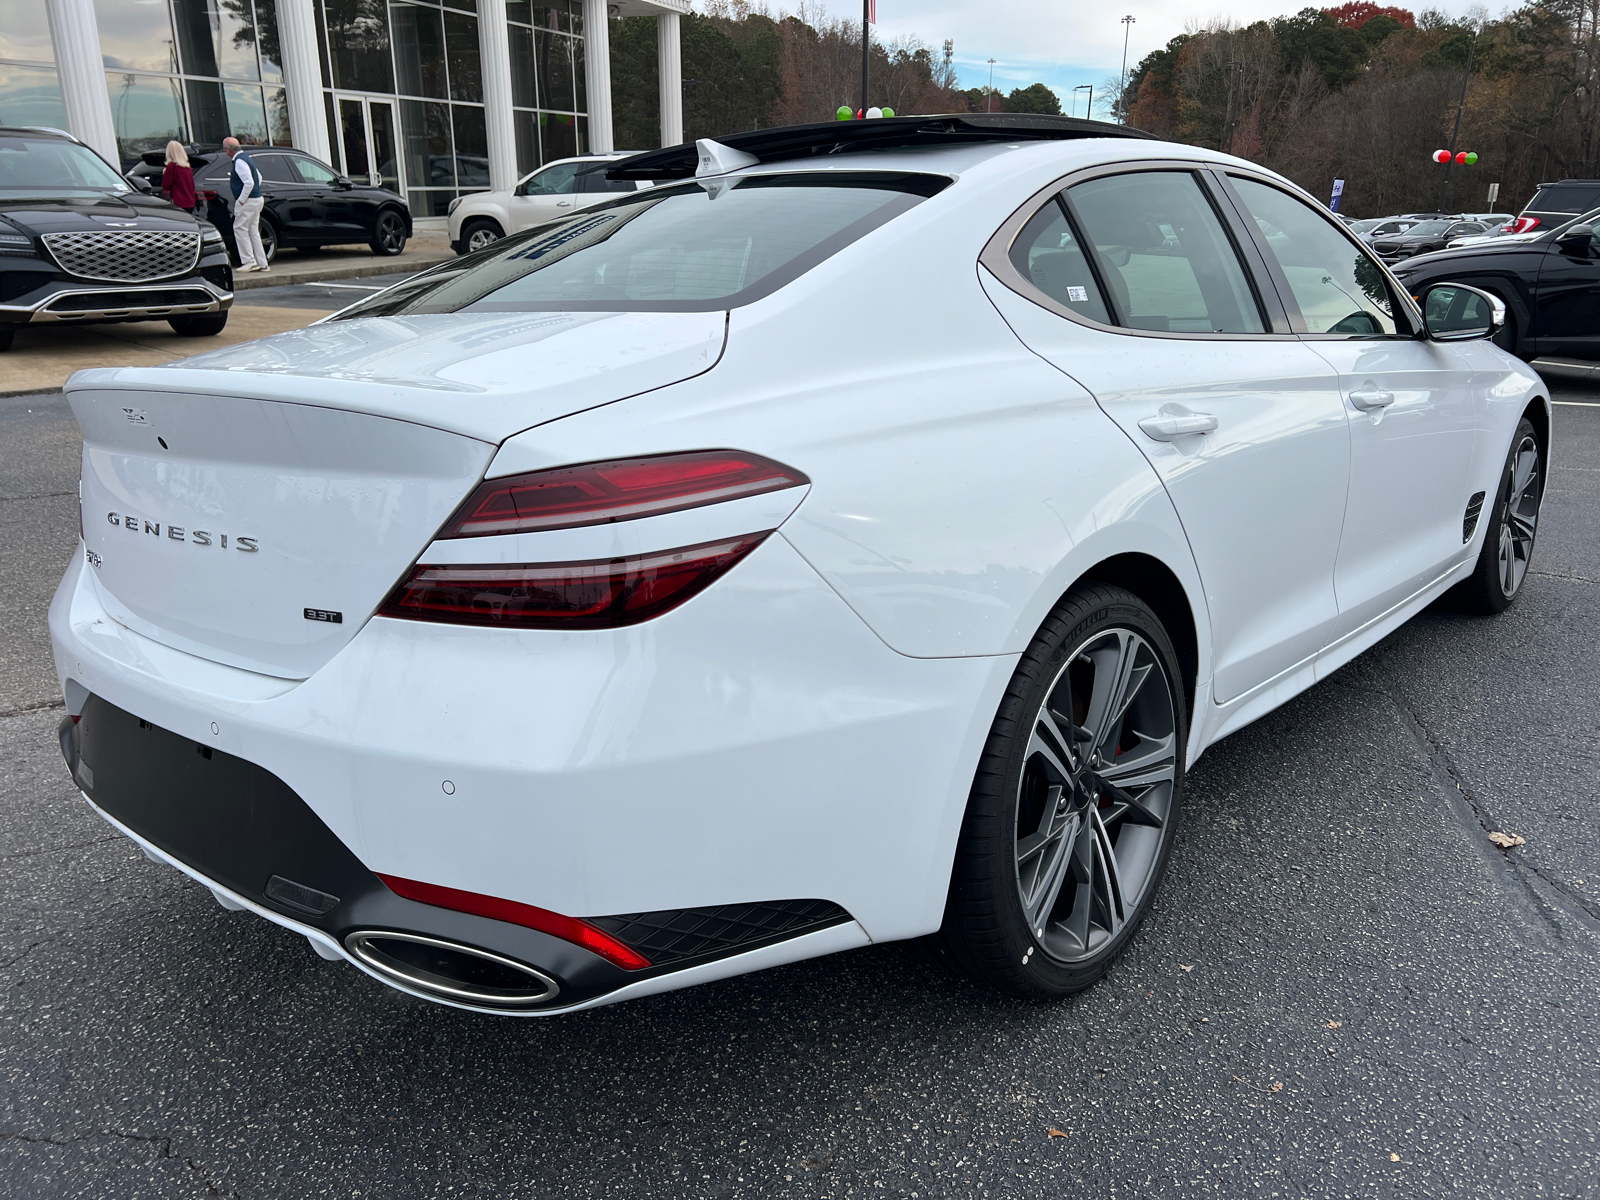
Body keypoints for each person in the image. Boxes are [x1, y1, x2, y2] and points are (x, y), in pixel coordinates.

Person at [224, 136, 268, 273]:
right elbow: (258, 177)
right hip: (257, 199)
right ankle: (262, 263)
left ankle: (249, 261)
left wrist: (242, 199)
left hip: (248, 201)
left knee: (240, 229)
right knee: (253, 231)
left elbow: (249, 182)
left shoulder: (238, 162)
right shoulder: (247, 159)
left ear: (228, 150)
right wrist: (254, 192)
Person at [160, 140, 198, 216]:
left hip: (178, 202)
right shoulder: (187, 168)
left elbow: (166, 185)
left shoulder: (172, 167)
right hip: (190, 201)